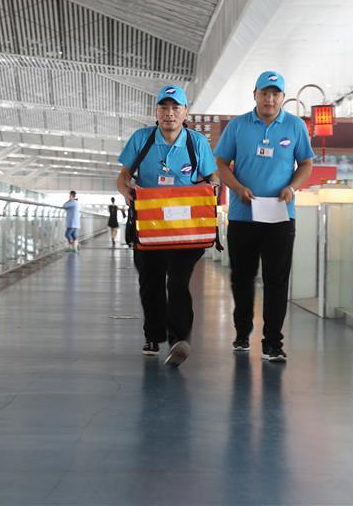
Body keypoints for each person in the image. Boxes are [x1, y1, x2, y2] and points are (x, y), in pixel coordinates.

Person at [214, 71, 314, 362]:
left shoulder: (295, 126)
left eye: (275, 93)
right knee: (242, 278)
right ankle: (242, 332)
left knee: (276, 280)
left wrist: (292, 188)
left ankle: (273, 342)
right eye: (264, 93)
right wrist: (237, 188)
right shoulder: (238, 125)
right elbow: (220, 162)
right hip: (243, 215)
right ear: (255, 94)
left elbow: (305, 163)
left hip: (280, 216)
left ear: (282, 97)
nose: (269, 99)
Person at [116, 84, 219, 367]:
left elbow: (212, 178)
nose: (169, 113)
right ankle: (153, 335)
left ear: (185, 112)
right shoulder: (142, 139)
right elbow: (123, 175)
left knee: (177, 280)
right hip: (149, 227)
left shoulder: (196, 142)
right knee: (150, 282)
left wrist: (211, 190)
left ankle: (179, 340)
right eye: (164, 107)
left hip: (186, 230)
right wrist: (127, 191)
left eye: (176, 108)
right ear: (156, 112)